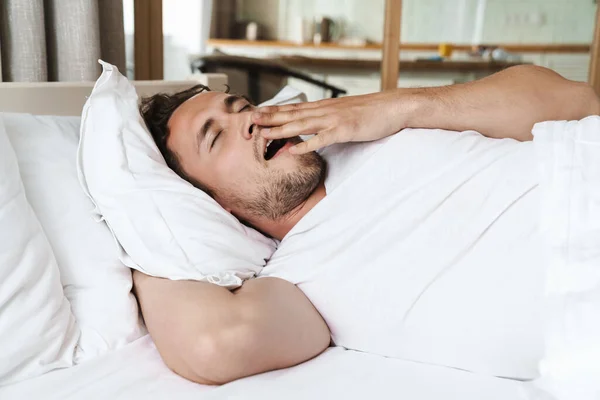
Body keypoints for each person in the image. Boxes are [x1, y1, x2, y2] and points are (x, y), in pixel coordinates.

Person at [134, 65, 600, 385]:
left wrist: (399, 106)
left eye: (241, 106)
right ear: (208, 206)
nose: (253, 121)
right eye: (216, 137)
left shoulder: (375, 125)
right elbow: (215, 344)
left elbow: (577, 100)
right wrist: (138, 222)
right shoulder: (296, 280)